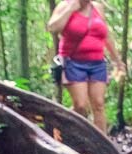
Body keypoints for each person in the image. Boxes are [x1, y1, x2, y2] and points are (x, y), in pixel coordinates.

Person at [47, 0, 125, 133]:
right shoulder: (66, 5)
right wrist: (70, 9)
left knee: (99, 105)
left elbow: (106, 36)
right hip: (73, 62)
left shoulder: (97, 8)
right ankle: (60, 126)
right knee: (81, 106)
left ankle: (102, 148)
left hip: (97, 63)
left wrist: (117, 60)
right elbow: (52, 27)